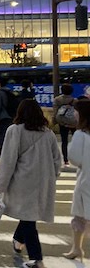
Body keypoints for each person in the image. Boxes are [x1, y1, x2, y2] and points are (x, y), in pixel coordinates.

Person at [0, 99, 62, 268]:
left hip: (22, 183)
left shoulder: (15, 131)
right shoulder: (48, 133)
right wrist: (52, 177)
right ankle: (18, 240)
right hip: (43, 183)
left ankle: (36, 259)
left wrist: (0, 186)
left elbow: (7, 161)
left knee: (28, 218)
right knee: (29, 217)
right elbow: (57, 161)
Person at [64, 99, 90, 261]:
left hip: (86, 181)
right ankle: (76, 249)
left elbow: (74, 158)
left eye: (76, 111)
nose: (74, 113)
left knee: (79, 218)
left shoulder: (81, 135)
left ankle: (77, 248)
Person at [54, 83, 77, 167]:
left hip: (62, 122)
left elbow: (55, 111)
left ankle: (66, 160)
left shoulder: (57, 100)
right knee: (75, 140)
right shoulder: (74, 100)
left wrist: (56, 121)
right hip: (73, 123)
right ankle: (75, 158)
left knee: (64, 141)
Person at [0, 77, 15, 159]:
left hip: (2, 117)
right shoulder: (10, 91)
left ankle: (2, 152)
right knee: (9, 135)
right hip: (11, 116)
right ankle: (9, 152)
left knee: (2, 135)